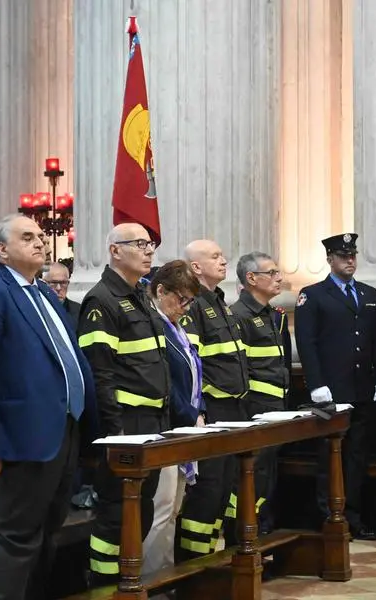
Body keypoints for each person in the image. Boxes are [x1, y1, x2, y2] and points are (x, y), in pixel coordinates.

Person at [0, 214, 96, 600]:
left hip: (62, 430)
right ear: (2, 250)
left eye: (41, 236)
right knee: (17, 538)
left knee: (49, 532)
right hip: (19, 435)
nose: (41, 242)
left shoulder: (40, 293)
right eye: (27, 237)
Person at [77, 223, 170, 583]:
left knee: (142, 507)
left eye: (150, 244)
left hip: (152, 421)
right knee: (116, 510)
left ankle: (128, 581)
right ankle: (102, 585)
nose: (149, 251)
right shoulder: (102, 300)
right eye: (140, 244)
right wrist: (113, 432)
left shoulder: (140, 294)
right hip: (125, 425)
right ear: (115, 251)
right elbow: (100, 374)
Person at [294, 233, 376, 541]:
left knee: (357, 456)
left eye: (353, 255)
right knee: (329, 456)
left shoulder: (368, 293)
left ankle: (353, 516)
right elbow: (307, 344)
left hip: (361, 389)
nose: (350, 260)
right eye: (343, 256)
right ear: (330, 260)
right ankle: (328, 516)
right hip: (331, 392)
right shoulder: (313, 295)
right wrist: (317, 384)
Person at [175, 239, 249, 562]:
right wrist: (199, 410)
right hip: (212, 409)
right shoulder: (193, 305)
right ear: (195, 267)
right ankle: (193, 564)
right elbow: (191, 364)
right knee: (207, 490)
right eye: (215, 256)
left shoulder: (221, 302)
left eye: (222, 254)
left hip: (235, 408)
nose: (223, 260)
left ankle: (211, 557)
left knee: (224, 488)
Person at [141, 260, 205, 575]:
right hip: (166, 427)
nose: (185, 307)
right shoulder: (155, 325)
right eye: (181, 299)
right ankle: (154, 581)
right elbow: (165, 381)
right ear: (160, 290)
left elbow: (193, 374)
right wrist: (191, 414)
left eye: (190, 301)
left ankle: (165, 576)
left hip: (185, 427)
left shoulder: (177, 327)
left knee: (174, 509)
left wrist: (200, 410)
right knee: (161, 510)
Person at [230, 252, 288, 534]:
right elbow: (242, 369)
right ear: (251, 279)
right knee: (255, 472)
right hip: (256, 407)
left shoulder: (271, 315)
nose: (279, 278)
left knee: (269, 473)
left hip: (276, 405)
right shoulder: (239, 316)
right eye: (272, 273)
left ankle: (263, 527)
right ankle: (246, 529)